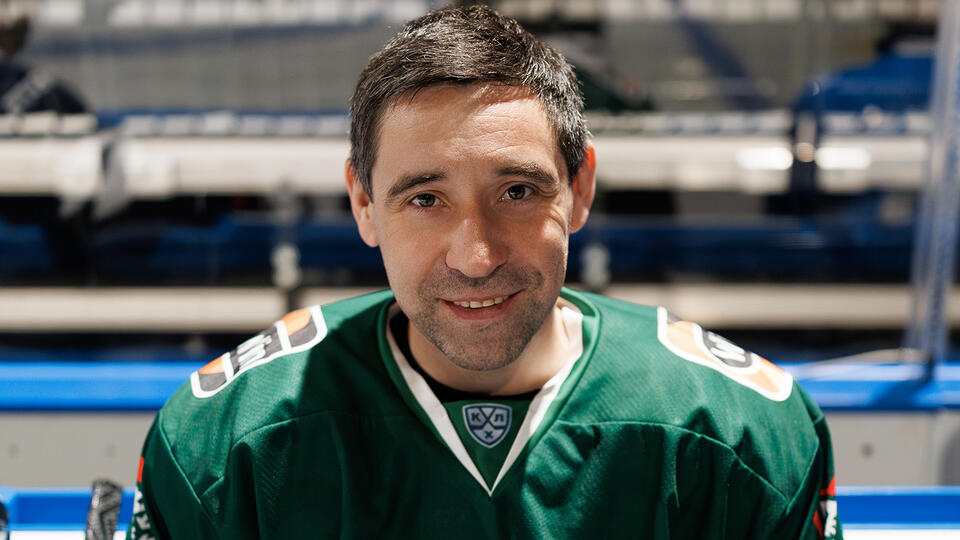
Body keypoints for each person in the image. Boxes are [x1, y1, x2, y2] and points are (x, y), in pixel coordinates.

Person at [128, 6, 841, 539]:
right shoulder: (224, 447)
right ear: (363, 203)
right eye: (426, 199)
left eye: (517, 192)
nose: (477, 256)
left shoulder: (740, 437)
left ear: (579, 187)